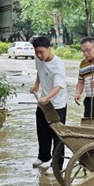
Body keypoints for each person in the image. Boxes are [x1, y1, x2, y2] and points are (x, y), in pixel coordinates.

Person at [30, 35, 68, 171]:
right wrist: (36, 86)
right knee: (42, 129)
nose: (39, 55)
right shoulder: (38, 59)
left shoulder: (58, 64)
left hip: (57, 104)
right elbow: (40, 72)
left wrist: (46, 98)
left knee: (57, 135)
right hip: (44, 101)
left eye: (42, 52)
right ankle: (43, 156)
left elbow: (58, 86)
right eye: (36, 52)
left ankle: (57, 165)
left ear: (49, 49)